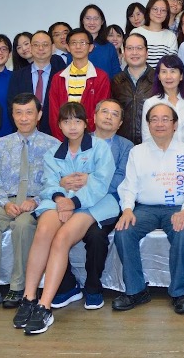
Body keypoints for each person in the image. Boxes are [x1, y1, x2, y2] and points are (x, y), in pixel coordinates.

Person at [12, 102, 117, 335]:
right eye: (67, 121)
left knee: (61, 239)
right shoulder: (53, 153)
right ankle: (29, 298)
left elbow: (100, 184)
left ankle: (45, 306)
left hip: (92, 204)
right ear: (59, 125)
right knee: (43, 231)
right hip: (59, 202)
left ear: (86, 123)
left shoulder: (100, 148)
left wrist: (73, 202)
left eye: (77, 121)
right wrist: (61, 198)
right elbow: (49, 184)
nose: (72, 126)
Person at [0, 93, 60, 314]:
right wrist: (4, 203)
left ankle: (18, 286)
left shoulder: (53, 145)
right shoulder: (1, 145)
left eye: (29, 112)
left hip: (37, 201)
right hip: (5, 200)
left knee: (23, 225)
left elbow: (57, 182)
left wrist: (36, 201)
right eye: (18, 113)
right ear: (12, 116)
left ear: (39, 115)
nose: (24, 118)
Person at [113, 103, 184, 314]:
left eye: (165, 119)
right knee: (124, 231)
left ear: (175, 124)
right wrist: (127, 209)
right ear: (148, 124)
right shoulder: (137, 152)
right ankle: (136, 290)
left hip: (178, 208)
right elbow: (129, 186)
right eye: (154, 119)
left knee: (182, 232)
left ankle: (180, 293)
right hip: (145, 208)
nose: (159, 124)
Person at [51, 98, 133, 311]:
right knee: (51, 227)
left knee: (96, 236)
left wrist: (92, 180)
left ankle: (93, 287)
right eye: (104, 112)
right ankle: (67, 285)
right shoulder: (77, 138)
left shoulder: (126, 147)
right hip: (72, 199)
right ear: (93, 117)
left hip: (106, 202)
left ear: (120, 123)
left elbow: (121, 179)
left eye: (115, 114)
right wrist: (64, 183)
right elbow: (60, 174)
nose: (109, 117)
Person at [46, 28, 111, 140]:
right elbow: (54, 114)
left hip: (91, 139)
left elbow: (100, 112)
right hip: (63, 139)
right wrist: (62, 140)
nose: (78, 47)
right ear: (67, 47)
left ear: (91, 47)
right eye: (74, 43)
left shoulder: (101, 77)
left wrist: (86, 137)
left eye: (83, 43)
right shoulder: (58, 78)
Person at [7, 30, 68, 134]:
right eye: (36, 45)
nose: (40, 48)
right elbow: (12, 106)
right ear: (30, 48)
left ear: (53, 47)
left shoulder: (62, 75)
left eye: (45, 44)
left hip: (55, 134)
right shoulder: (18, 76)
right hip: (24, 133)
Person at [141, 55, 184, 148]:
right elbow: (146, 136)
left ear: (181, 76)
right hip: (160, 154)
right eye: (164, 72)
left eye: (173, 71)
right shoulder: (150, 103)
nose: (168, 77)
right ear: (159, 76)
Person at [111, 33, 156, 145]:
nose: (134, 52)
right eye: (130, 48)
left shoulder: (159, 79)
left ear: (147, 53)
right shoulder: (116, 81)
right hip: (123, 144)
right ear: (124, 53)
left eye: (139, 48)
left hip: (153, 143)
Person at [131, 0, 178, 68]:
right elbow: (132, 59)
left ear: (167, 14)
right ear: (148, 11)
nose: (159, 13)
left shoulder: (171, 36)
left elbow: (172, 64)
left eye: (163, 10)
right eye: (155, 9)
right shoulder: (136, 32)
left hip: (163, 75)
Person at [79, 4, 122, 78]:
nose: (92, 22)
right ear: (82, 21)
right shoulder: (75, 46)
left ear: (102, 21)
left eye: (96, 18)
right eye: (88, 18)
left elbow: (116, 75)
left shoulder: (109, 47)